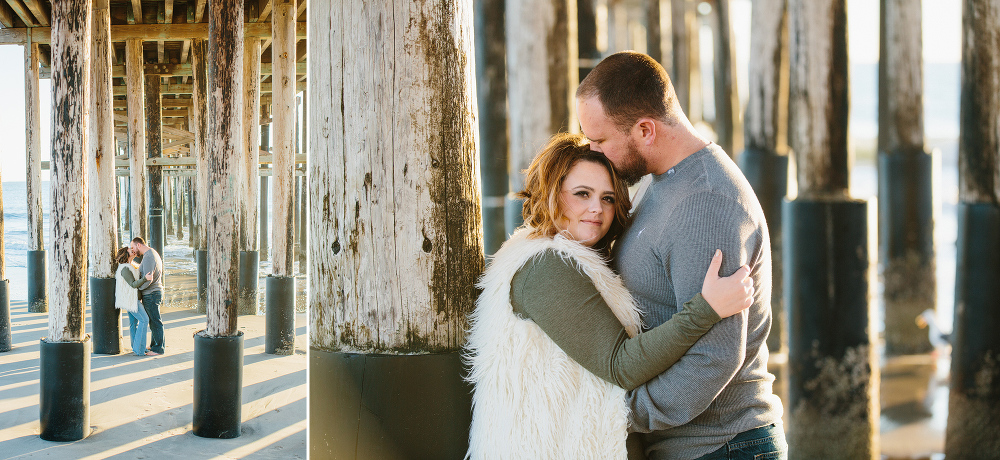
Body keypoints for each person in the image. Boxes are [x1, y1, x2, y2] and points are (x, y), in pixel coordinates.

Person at [464, 133, 756, 459]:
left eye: (607, 198)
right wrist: (705, 309)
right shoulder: (545, 265)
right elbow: (622, 365)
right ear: (551, 195)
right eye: (582, 194)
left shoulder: (574, 262)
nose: (596, 209)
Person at [576, 51, 785, 459]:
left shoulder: (704, 203)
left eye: (600, 140)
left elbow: (716, 356)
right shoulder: (664, 181)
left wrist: (626, 413)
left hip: (721, 446)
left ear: (646, 130)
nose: (593, 151)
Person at [114, 247, 159, 357]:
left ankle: (136, 347)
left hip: (131, 299)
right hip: (130, 300)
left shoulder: (131, 266)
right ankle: (140, 350)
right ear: (126, 254)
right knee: (144, 320)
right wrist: (146, 279)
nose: (132, 250)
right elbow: (133, 284)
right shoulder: (125, 268)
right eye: (130, 250)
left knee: (134, 323)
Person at [130, 237, 165, 355]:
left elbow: (148, 278)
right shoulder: (151, 254)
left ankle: (158, 349)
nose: (133, 250)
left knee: (155, 321)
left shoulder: (149, 256)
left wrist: (138, 288)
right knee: (153, 320)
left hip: (151, 293)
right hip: (153, 292)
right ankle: (154, 345)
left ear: (138, 245)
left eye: (133, 247)